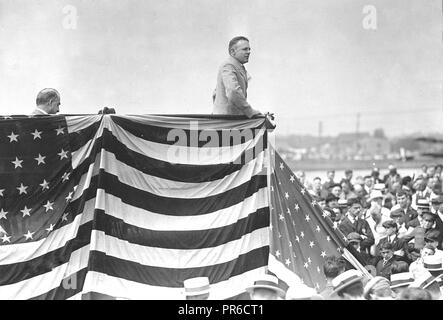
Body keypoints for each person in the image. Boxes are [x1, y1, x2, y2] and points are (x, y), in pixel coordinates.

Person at [212, 36, 262, 118]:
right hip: (228, 120)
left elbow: (215, 93)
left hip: (229, 118)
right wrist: (250, 112)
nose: (249, 52)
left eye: (249, 49)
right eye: (245, 49)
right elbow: (233, 91)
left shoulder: (237, 66)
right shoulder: (228, 66)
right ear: (232, 52)